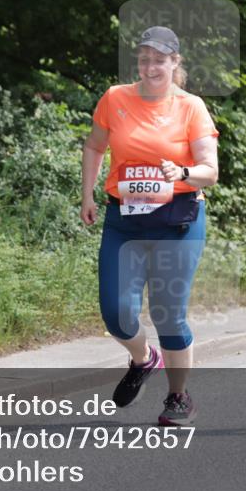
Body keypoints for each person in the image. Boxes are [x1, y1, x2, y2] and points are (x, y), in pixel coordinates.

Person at [81, 26, 219, 426]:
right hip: (124, 217)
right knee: (116, 312)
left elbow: (210, 172)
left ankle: (179, 397)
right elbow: (94, 146)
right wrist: (87, 195)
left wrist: (183, 171)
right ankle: (144, 359)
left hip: (177, 219)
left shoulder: (191, 107)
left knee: (168, 313)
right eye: (143, 58)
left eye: (159, 59)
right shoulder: (115, 98)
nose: (150, 66)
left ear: (175, 63)